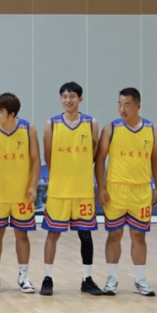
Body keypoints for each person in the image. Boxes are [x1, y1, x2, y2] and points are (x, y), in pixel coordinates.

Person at [95, 87, 157, 297]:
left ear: (138, 106)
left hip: (141, 190)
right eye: (119, 104)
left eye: (127, 105)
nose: (122, 109)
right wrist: (101, 186)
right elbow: (100, 159)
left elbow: (156, 159)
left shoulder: (151, 129)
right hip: (115, 189)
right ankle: (111, 278)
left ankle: (140, 279)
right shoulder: (110, 128)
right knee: (114, 234)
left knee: (138, 235)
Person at [41, 82, 103, 296]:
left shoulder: (91, 123)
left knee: (86, 235)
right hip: (59, 190)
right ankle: (47, 278)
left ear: (80, 99)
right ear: (61, 99)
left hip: (83, 190)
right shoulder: (51, 124)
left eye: (72, 96)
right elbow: (48, 155)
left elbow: (93, 154)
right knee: (53, 234)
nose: (68, 100)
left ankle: (87, 279)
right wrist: (60, 175)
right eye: (64, 97)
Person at [0, 93, 40, 294]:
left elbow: (35, 160)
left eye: (0, 110)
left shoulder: (28, 129)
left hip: (22, 193)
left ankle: (23, 276)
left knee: (21, 234)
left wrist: (33, 186)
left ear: (12, 114)